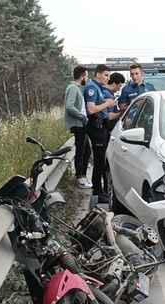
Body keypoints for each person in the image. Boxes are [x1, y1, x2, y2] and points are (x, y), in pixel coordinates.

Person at [83, 64, 116, 201]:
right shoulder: (92, 87)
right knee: (99, 160)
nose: (108, 78)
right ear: (98, 74)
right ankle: (97, 191)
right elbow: (90, 109)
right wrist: (107, 104)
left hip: (101, 126)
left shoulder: (99, 88)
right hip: (95, 126)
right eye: (106, 75)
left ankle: (100, 190)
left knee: (101, 160)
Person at [65, 66, 90, 188]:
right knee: (81, 151)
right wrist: (82, 117)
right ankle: (79, 178)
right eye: (87, 75)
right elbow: (69, 107)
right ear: (82, 76)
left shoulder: (78, 88)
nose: (87, 78)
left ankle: (82, 176)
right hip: (78, 124)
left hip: (81, 124)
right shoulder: (73, 88)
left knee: (86, 150)